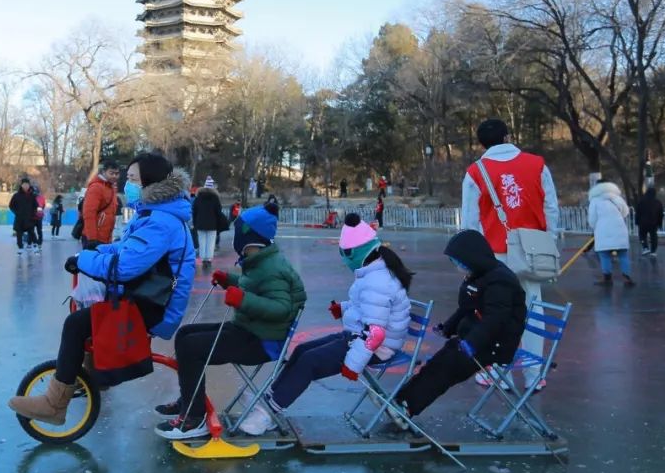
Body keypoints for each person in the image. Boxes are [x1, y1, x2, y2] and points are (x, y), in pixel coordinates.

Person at [8, 152, 195, 425]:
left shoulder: (160, 222)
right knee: (88, 317)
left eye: (132, 179)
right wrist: (97, 250)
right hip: (146, 296)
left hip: (155, 305)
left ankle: (54, 404)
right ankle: (95, 375)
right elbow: (125, 248)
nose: (126, 184)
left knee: (76, 324)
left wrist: (85, 260)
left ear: (150, 183)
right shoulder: (154, 215)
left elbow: (125, 266)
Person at [237, 213, 411, 436]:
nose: (344, 259)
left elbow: (374, 333)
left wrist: (353, 365)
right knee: (302, 350)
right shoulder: (373, 272)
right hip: (360, 337)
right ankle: (271, 396)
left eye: (345, 253)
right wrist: (344, 308)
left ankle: (269, 412)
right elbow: (367, 308)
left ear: (357, 251)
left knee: (310, 361)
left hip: (376, 348)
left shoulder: (378, 280)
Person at [152, 203, 305, 439]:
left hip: (262, 341)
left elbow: (281, 308)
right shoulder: (261, 260)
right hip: (249, 329)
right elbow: (254, 287)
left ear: (248, 238)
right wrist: (230, 281)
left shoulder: (272, 268)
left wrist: (243, 299)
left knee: (191, 348)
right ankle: (189, 399)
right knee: (185, 334)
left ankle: (194, 417)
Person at [387, 230, 526, 428]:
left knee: (448, 368)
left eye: (460, 262)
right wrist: (448, 327)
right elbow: (467, 308)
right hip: (474, 340)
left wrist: (472, 343)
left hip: (496, 344)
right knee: (438, 363)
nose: (459, 268)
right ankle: (401, 400)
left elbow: (495, 320)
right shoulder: (479, 274)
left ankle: (407, 406)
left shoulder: (499, 281)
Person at [460, 118, 559, 392]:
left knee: (496, 314)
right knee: (533, 311)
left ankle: (498, 373)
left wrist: (472, 262)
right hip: (531, 252)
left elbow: (470, 222)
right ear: (507, 136)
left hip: (494, 256)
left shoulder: (476, 171)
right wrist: (547, 243)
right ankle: (534, 375)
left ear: (481, 143)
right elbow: (551, 208)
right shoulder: (537, 164)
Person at [588, 179, 633, 287]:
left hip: (603, 231)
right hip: (619, 229)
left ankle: (607, 278)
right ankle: (627, 277)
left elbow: (592, 219)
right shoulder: (617, 198)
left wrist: (595, 227)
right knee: (623, 254)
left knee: (604, 255)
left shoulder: (595, 201)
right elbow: (625, 212)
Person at [82, 160, 120, 249]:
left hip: (106, 238)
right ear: (103, 172)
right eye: (111, 173)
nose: (114, 176)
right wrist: (92, 238)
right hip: (94, 238)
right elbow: (89, 213)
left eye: (117, 173)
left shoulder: (111, 188)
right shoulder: (96, 187)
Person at [191, 176, 226, 269]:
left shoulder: (198, 198)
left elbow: (194, 211)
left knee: (202, 241)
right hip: (212, 224)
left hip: (200, 223)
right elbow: (218, 212)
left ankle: (203, 259)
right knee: (211, 242)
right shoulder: (215, 198)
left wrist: (195, 223)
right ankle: (209, 259)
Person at [9, 179, 40, 255]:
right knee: (19, 233)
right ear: (21, 185)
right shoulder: (16, 195)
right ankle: (20, 248)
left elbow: (36, 206)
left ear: (29, 185)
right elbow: (11, 205)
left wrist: (34, 213)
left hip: (29, 218)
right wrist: (17, 212)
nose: (26, 186)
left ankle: (35, 246)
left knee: (32, 233)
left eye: (27, 184)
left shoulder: (32, 195)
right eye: (24, 184)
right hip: (19, 218)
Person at [635, 187, 665, 258]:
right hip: (653, 223)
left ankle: (645, 247)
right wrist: (660, 223)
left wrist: (637, 221)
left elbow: (638, 212)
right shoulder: (657, 202)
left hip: (643, 223)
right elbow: (660, 214)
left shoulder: (641, 201)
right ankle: (653, 251)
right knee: (653, 236)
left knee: (642, 235)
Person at [34, 186, 46, 251]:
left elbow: (43, 206)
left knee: (33, 230)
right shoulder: (42, 198)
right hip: (39, 216)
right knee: (39, 230)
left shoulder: (32, 197)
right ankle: (39, 243)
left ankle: (36, 243)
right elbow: (43, 206)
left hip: (35, 216)